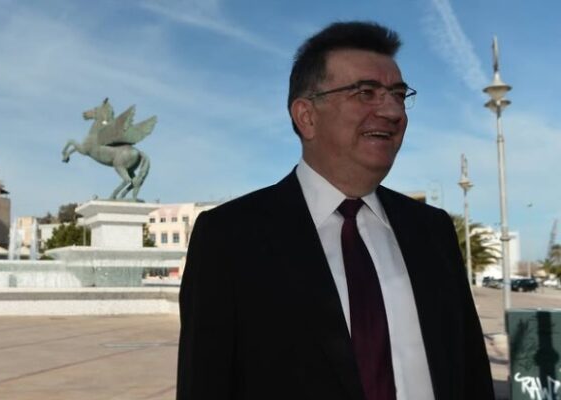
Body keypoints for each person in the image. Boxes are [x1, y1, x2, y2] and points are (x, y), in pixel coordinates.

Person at [176, 21, 494, 399]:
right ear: (307, 116)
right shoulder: (229, 237)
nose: (392, 110)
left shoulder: (433, 231)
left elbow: (472, 374)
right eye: (366, 92)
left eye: (398, 94)